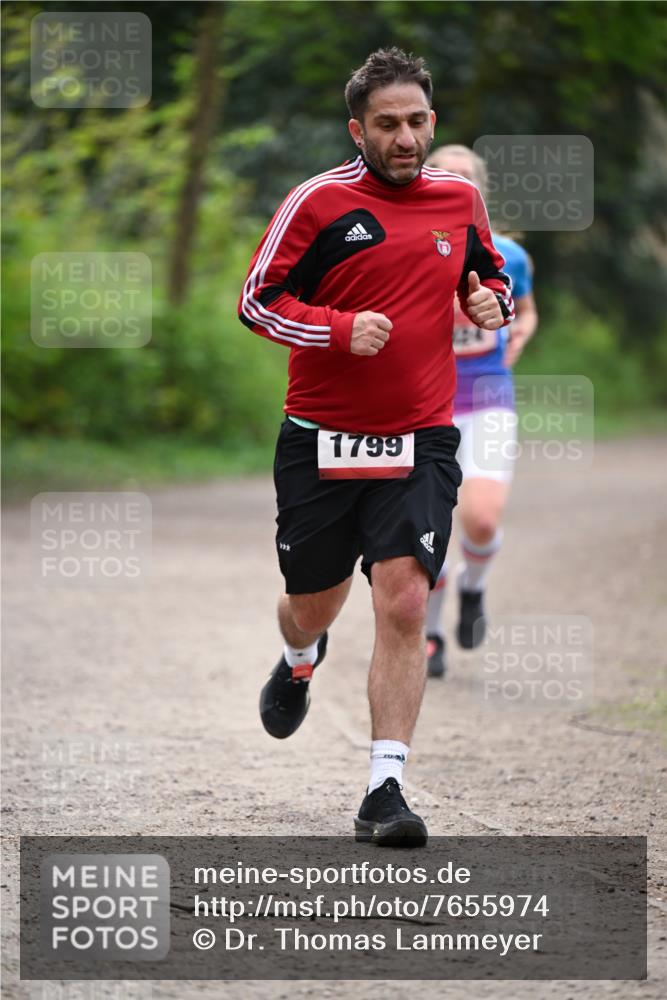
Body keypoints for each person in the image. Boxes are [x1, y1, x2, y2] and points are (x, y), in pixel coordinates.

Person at [238, 50, 514, 846]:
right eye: (387, 124)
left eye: (417, 121)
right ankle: (299, 657)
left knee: (402, 598)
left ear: (432, 122)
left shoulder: (458, 200)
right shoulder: (317, 202)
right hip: (319, 439)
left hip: (421, 436)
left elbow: (484, 274)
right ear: (357, 129)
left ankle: (384, 789)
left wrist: (487, 301)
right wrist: (336, 328)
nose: (404, 137)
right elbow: (257, 300)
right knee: (310, 602)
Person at [423, 146, 538, 678]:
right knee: (427, 530)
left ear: (478, 189)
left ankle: (474, 588)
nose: (454, 181)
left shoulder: (509, 255)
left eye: (464, 175)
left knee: (481, 519)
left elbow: (528, 308)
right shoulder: (407, 248)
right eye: (443, 172)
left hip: (487, 398)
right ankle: (428, 635)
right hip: (423, 402)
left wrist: (521, 330)